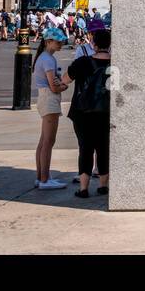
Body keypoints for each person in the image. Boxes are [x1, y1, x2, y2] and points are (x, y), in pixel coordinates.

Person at [67, 26, 111, 199]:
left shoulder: (82, 62)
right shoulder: (114, 64)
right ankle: (102, 186)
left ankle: (83, 188)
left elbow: (65, 80)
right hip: (104, 111)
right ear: (109, 44)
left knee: (85, 148)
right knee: (103, 148)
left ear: (93, 43)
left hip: (83, 112)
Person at [33, 26, 70, 190]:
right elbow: (54, 87)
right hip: (49, 98)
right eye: (58, 41)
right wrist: (64, 86)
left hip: (44, 97)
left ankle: (40, 176)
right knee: (49, 141)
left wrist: (57, 84)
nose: (61, 44)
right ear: (49, 41)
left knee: (43, 140)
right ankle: (45, 179)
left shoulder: (43, 57)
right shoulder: (48, 59)